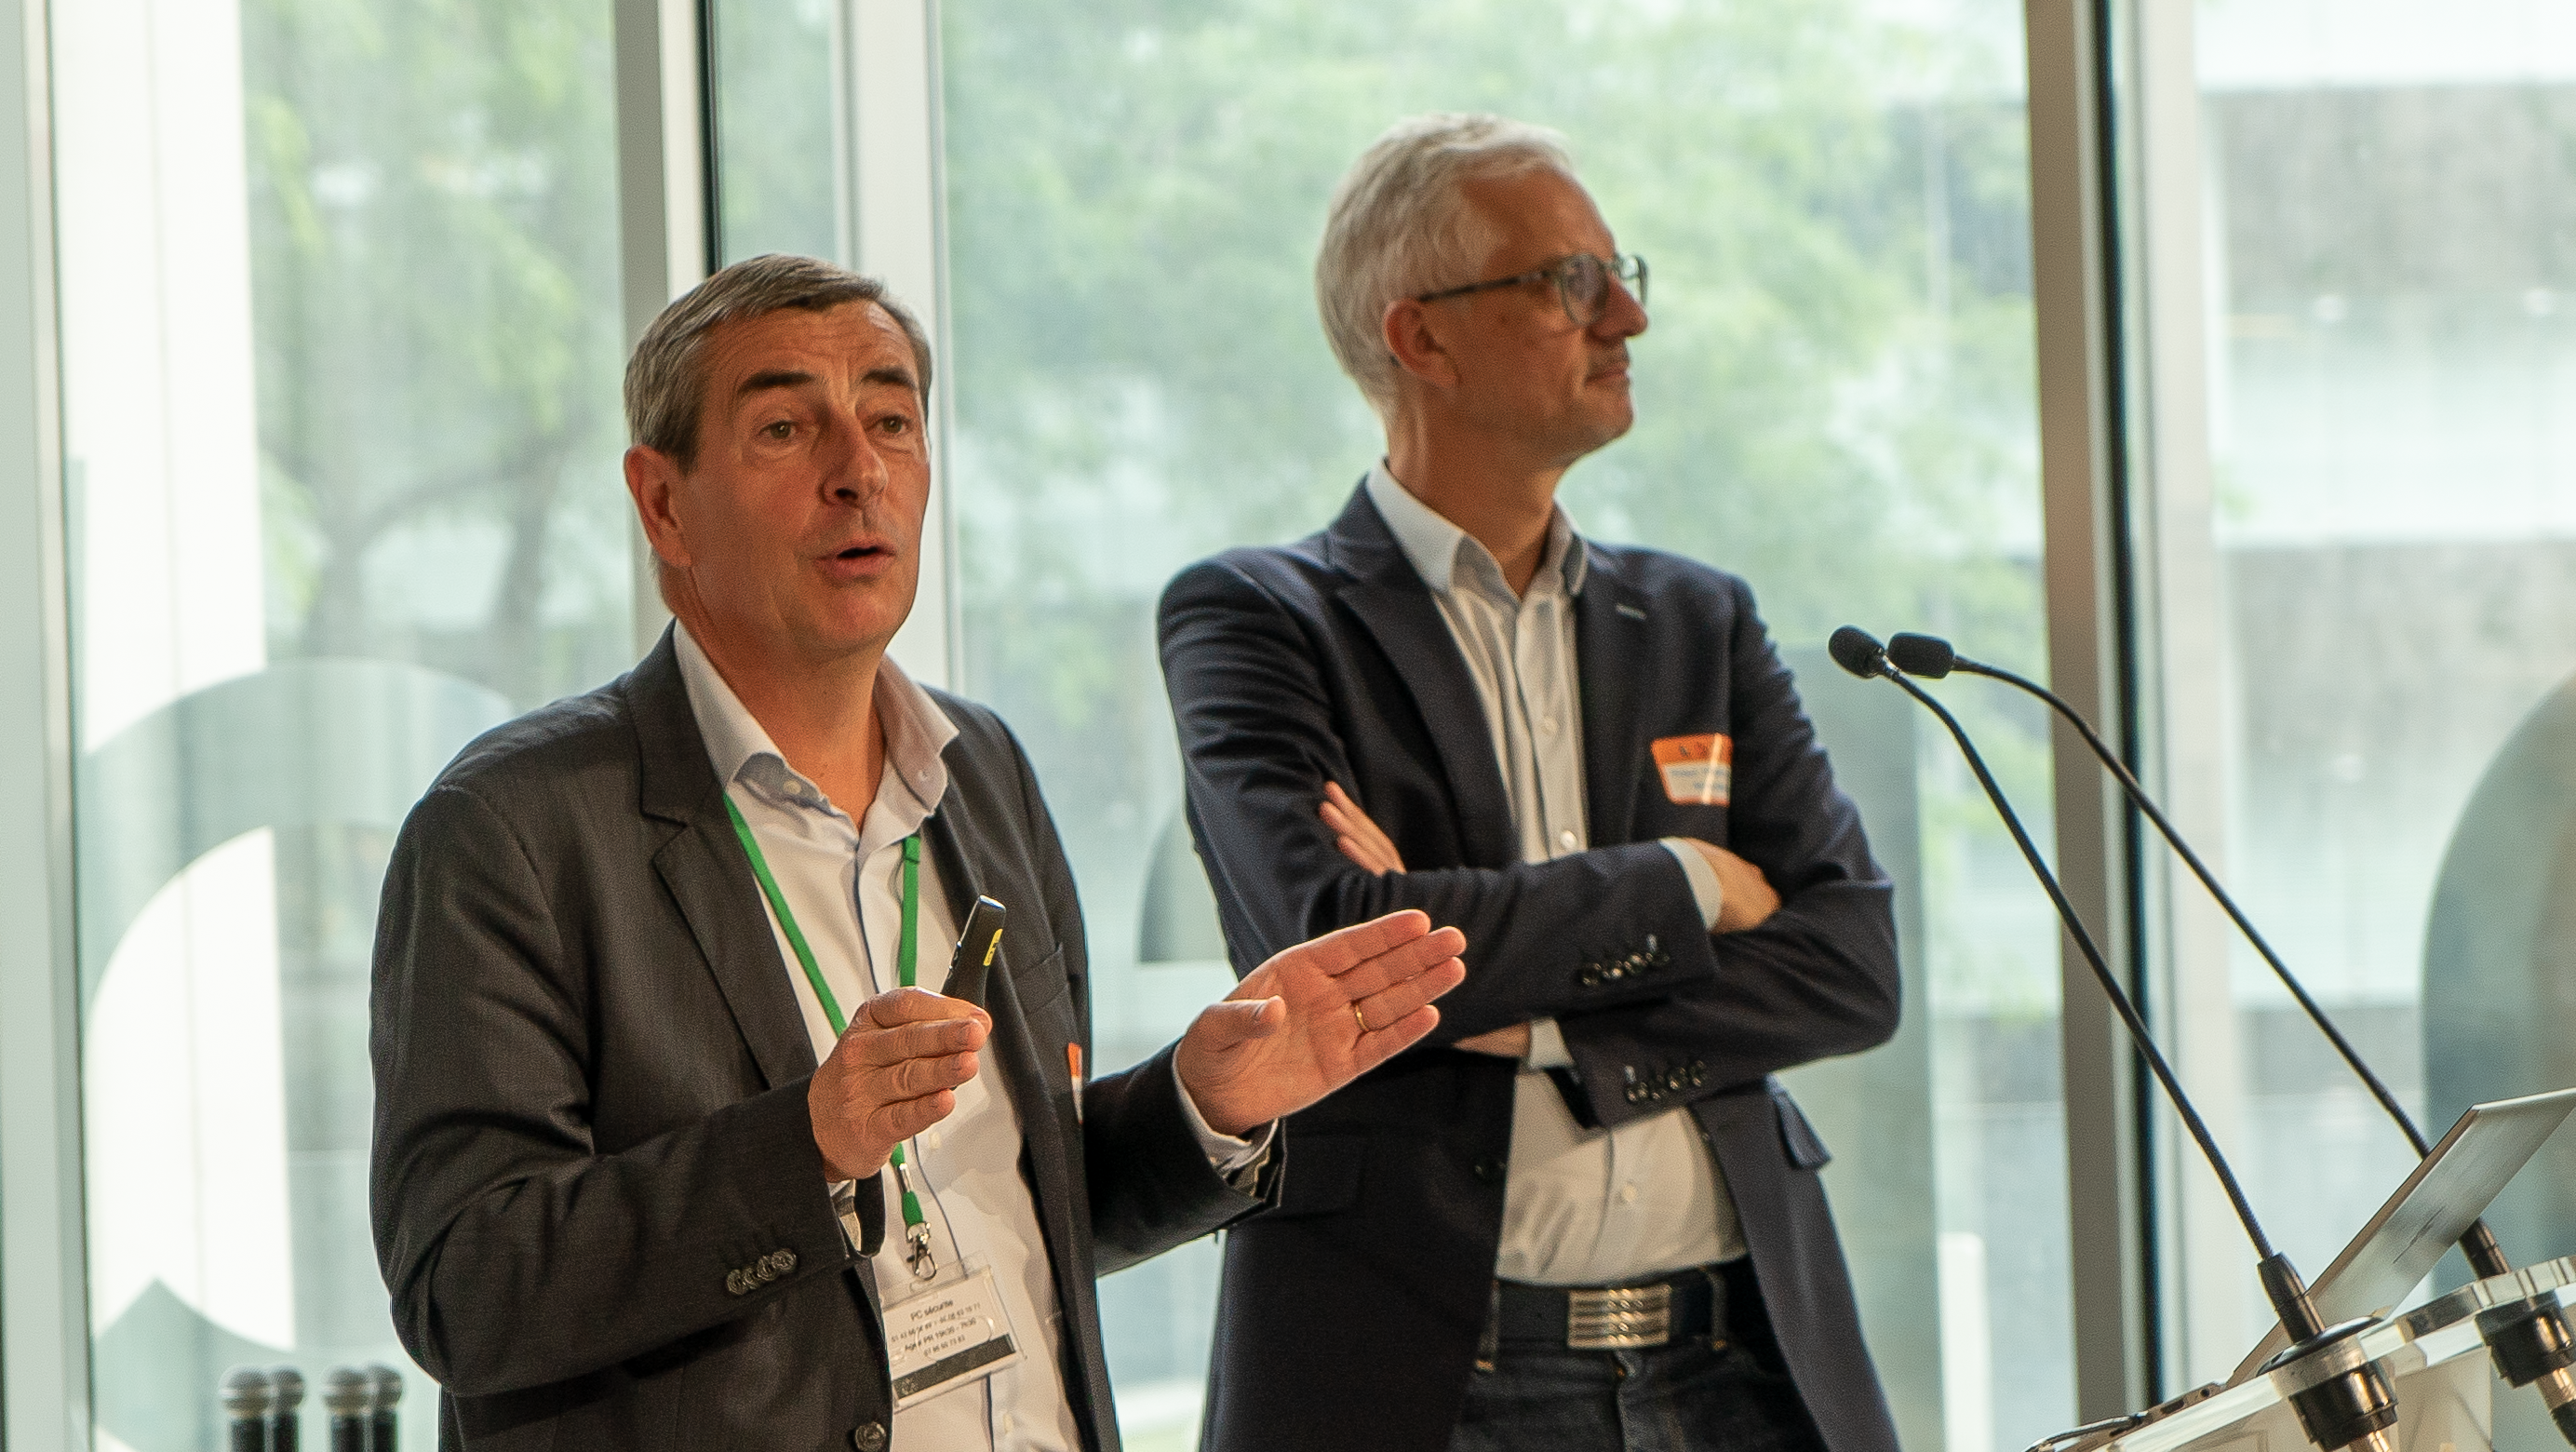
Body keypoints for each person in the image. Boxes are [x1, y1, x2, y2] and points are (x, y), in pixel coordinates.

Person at [368, 253, 1466, 1451]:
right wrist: (808, 1146)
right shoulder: (511, 829)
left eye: (891, 420)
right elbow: (465, 1289)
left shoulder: (980, 769)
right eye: (785, 429)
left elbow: (1018, 1200)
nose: (860, 471)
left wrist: (1198, 1105)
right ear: (663, 503)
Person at [1157, 114, 1902, 1452]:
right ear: (1421, 338)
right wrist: (1688, 883)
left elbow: (1852, 964)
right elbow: (1335, 943)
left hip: (1739, 1366)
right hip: (1432, 1378)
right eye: (1569, 282)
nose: (1626, 318)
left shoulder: (1699, 620)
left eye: (1621, 275)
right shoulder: (1256, 618)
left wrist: (1541, 1026)